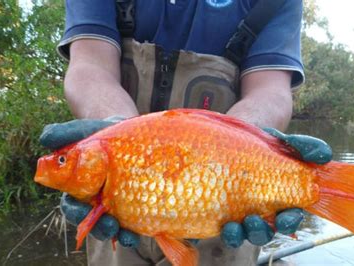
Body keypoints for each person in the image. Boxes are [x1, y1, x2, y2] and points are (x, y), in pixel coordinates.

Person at [40, 0, 333, 265]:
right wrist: (117, 129)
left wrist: (240, 146)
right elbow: (90, 65)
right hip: (116, 224)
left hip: (224, 209)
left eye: (64, 160)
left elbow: (270, 90)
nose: (56, 164)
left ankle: (320, 188)